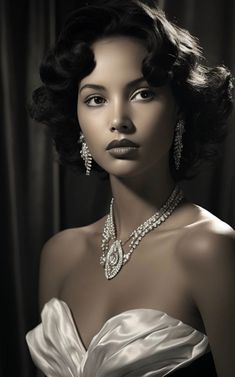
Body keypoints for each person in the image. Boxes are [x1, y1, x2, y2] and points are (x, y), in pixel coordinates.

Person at [26, 1, 235, 376]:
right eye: (96, 99)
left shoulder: (209, 249)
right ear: (76, 120)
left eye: (142, 94)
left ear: (180, 111)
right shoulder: (59, 255)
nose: (118, 120)